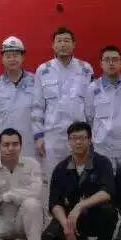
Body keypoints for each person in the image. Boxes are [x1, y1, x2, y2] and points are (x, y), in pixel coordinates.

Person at [43, 121, 117, 240]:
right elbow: (54, 203)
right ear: (69, 141)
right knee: (49, 237)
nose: (78, 142)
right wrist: (65, 224)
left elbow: (108, 191)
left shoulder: (102, 163)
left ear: (90, 140)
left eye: (82, 138)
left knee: (109, 212)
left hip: (95, 216)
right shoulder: (61, 168)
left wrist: (81, 205)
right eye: (74, 138)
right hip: (71, 219)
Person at [33, 27, 94, 174]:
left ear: (74, 44)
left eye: (67, 41)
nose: (63, 44)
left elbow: (92, 106)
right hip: (53, 135)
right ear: (53, 45)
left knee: (81, 175)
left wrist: (92, 135)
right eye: (59, 41)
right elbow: (37, 106)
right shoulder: (43, 70)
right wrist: (38, 136)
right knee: (54, 176)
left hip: (79, 135)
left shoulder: (85, 69)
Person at [0, 37, 38, 158]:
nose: (12, 59)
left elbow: (41, 112)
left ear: (23, 57)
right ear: (2, 58)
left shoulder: (35, 81)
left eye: (16, 55)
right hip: (4, 145)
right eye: (8, 56)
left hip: (30, 144)